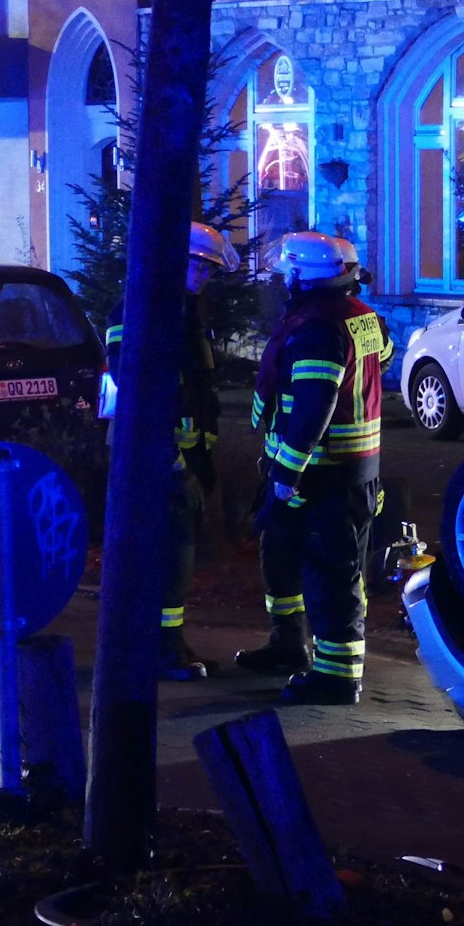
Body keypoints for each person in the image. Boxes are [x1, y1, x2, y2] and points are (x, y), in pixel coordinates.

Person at [237, 231, 392, 706]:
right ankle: (289, 644)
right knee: (281, 556)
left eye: (289, 272)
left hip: (322, 474)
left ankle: (337, 677)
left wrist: (286, 474)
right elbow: (379, 357)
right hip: (338, 470)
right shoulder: (361, 318)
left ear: (301, 276)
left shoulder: (318, 327)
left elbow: (314, 405)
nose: (285, 279)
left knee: (332, 573)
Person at [104, 221, 237, 681]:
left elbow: (198, 394)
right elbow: (139, 393)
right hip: (152, 459)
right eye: (197, 264)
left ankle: (168, 645)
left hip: (178, 457)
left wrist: (200, 457)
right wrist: (174, 461)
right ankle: (159, 650)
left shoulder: (182, 313)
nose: (204, 275)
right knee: (167, 553)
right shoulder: (139, 311)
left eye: (209, 268)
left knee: (175, 554)